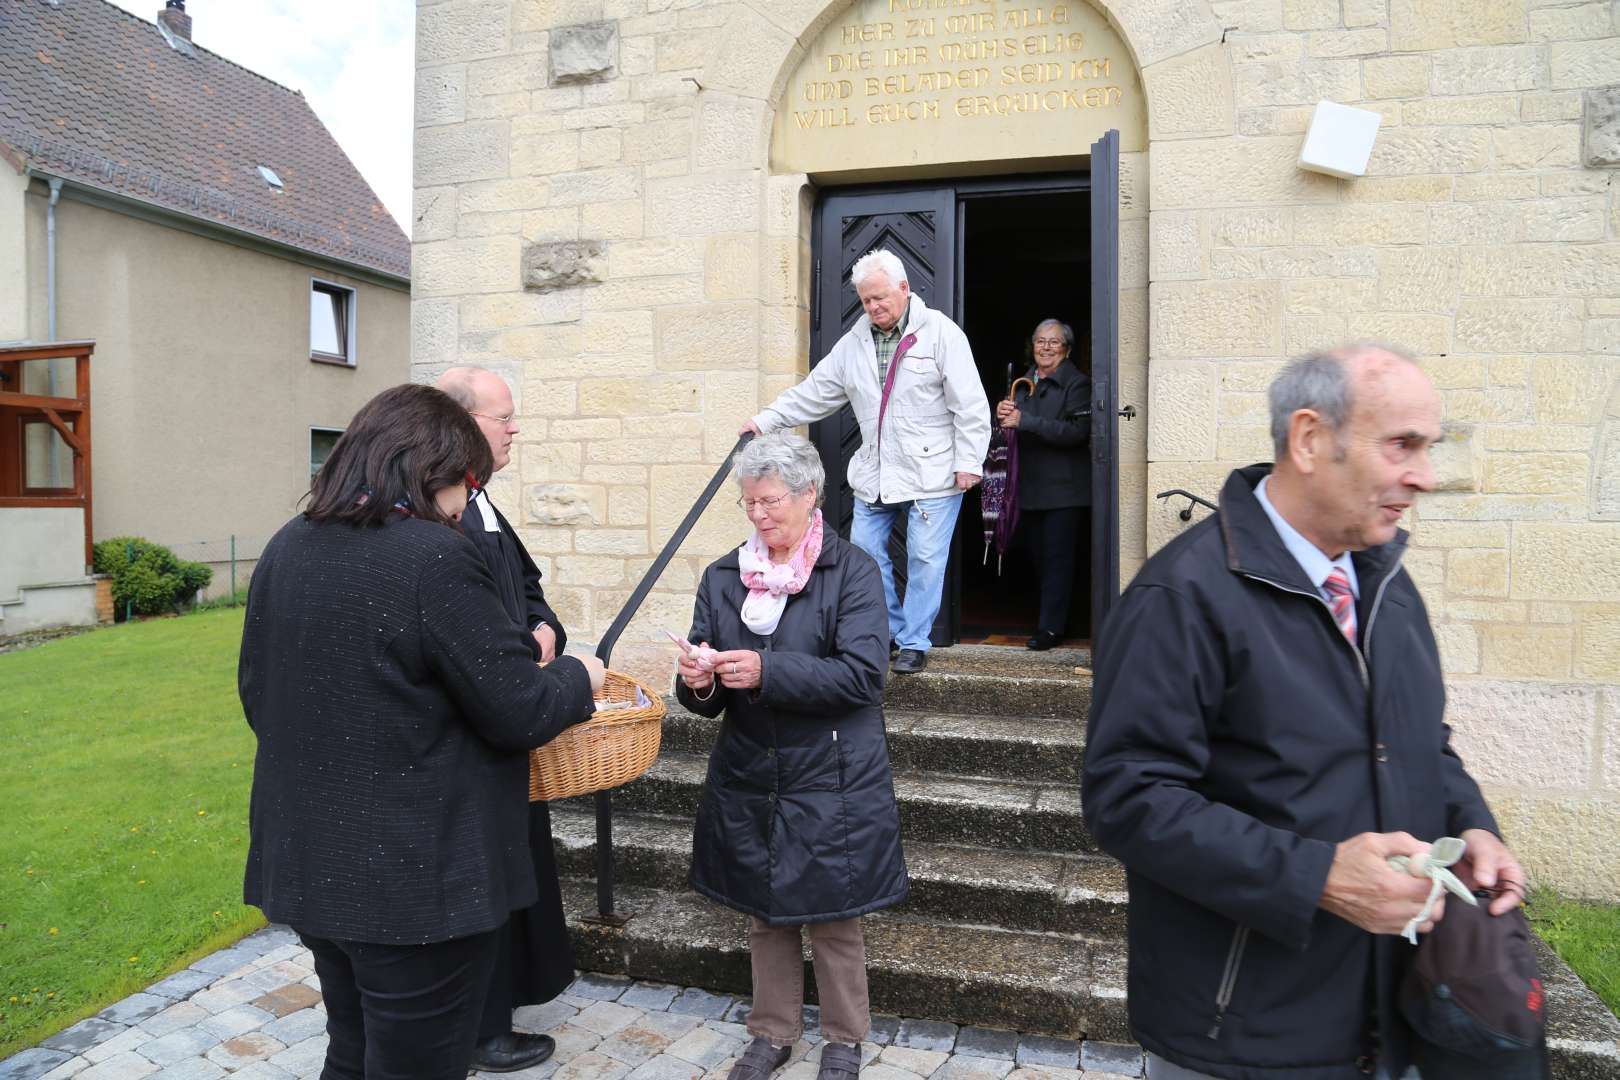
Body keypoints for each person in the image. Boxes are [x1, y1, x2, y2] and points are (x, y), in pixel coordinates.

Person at [1082, 345, 1525, 1080]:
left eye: (1428, 448)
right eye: (1402, 446)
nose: (1425, 475)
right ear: (1311, 439)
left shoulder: (1386, 581)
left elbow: (1420, 742)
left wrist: (1471, 822)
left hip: (1399, 1009)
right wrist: (1317, 875)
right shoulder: (1182, 597)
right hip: (1246, 1035)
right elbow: (1126, 798)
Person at [238, 384, 606, 1080]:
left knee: (352, 1050)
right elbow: (518, 708)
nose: (470, 500)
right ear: (432, 469)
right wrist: (580, 677)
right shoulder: (430, 558)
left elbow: (260, 696)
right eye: (470, 480)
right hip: (413, 885)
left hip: (312, 865)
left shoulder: (287, 546)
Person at [674, 432, 905, 1080]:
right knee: (765, 909)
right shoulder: (724, 576)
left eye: (769, 500)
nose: (757, 514)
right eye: (748, 503)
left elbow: (863, 677)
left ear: (808, 495)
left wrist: (766, 672)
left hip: (831, 771)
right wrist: (699, 681)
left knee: (834, 917)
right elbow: (707, 687)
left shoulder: (852, 570)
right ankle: (771, 1032)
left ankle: (843, 1038)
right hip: (753, 767)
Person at [741, 248, 991, 675]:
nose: (874, 307)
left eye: (881, 298)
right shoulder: (854, 343)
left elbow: (970, 404)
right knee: (867, 554)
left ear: (904, 289)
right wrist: (765, 421)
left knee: (925, 559)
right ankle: (888, 631)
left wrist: (970, 461)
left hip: (934, 470)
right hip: (876, 472)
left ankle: (914, 642)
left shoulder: (942, 335)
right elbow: (814, 393)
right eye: (866, 300)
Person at [436, 366, 575, 1073]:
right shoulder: (437, 523)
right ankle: (478, 1029)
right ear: (460, 426)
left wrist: (546, 633)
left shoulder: (486, 506)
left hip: (512, 725)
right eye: (504, 417)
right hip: (468, 740)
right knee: (476, 883)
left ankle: (505, 1006)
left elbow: (530, 594)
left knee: (511, 872)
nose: (515, 429)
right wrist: (531, 651)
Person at [994, 318, 1091, 651]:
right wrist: (1004, 413)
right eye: (1040, 341)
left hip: (1063, 492)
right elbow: (1012, 429)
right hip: (1027, 488)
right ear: (1031, 346)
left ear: (1066, 348)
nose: (1046, 348)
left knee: (1058, 562)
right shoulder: (1023, 383)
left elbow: (1077, 433)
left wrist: (1025, 420)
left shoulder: (1077, 384)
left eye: (1053, 342)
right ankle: (1053, 620)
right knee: (1037, 560)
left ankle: (1051, 629)